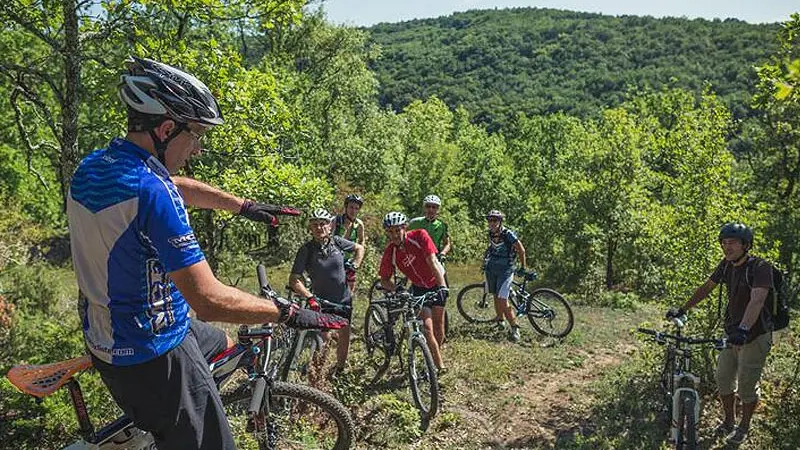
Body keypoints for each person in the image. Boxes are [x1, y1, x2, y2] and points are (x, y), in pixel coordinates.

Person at [67, 57, 347, 450]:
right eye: (195, 134)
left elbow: (173, 184)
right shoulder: (152, 193)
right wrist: (290, 312)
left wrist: (243, 205)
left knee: (218, 342)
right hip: (153, 353)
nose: (197, 149)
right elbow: (209, 299)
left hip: (106, 333)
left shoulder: (96, 167)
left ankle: (173, 421)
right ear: (166, 129)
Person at [666, 223, 774, 445]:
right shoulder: (726, 265)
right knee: (723, 378)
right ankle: (728, 421)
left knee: (746, 385)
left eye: (732, 243)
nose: (727, 247)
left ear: (746, 245)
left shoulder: (761, 267)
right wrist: (683, 309)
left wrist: (744, 330)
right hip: (732, 333)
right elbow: (707, 287)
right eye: (724, 243)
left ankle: (744, 426)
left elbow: (757, 300)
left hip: (755, 335)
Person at [289, 208, 365, 378]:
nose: (319, 228)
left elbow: (360, 248)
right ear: (310, 228)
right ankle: (317, 374)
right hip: (320, 301)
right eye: (314, 225)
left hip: (344, 299)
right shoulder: (306, 250)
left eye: (322, 224)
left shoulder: (337, 242)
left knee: (344, 335)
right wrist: (308, 297)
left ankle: (339, 369)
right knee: (324, 338)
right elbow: (294, 279)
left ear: (329, 226)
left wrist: (355, 266)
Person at [378, 212, 448, 373]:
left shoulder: (419, 236)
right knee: (427, 328)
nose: (394, 235)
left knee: (438, 325)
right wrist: (398, 288)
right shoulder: (391, 251)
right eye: (390, 231)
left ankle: (435, 354)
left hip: (436, 282)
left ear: (404, 228)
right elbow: (384, 280)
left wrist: (442, 286)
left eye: (397, 230)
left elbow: (432, 261)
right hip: (417, 288)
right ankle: (439, 366)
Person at [483, 210, 527, 342]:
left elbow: (521, 249)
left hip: (506, 270)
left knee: (502, 299)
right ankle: (500, 320)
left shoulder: (508, 234)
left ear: (500, 221)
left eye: (495, 220)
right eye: (490, 220)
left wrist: (523, 267)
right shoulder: (491, 233)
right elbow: (492, 247)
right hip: (492, 268)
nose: (492, 223)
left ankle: (515, 327)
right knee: (496, 295)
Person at [333, 194, 366, 294]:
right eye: (351, 207)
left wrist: (356, 260)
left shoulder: (359, 224)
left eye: (356, 208)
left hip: (348, 260)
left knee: (350, 286)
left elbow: (361, 241)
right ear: (346, 207)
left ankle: (348, 305)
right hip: (333, 258)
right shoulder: (336, 220)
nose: (353, 211)